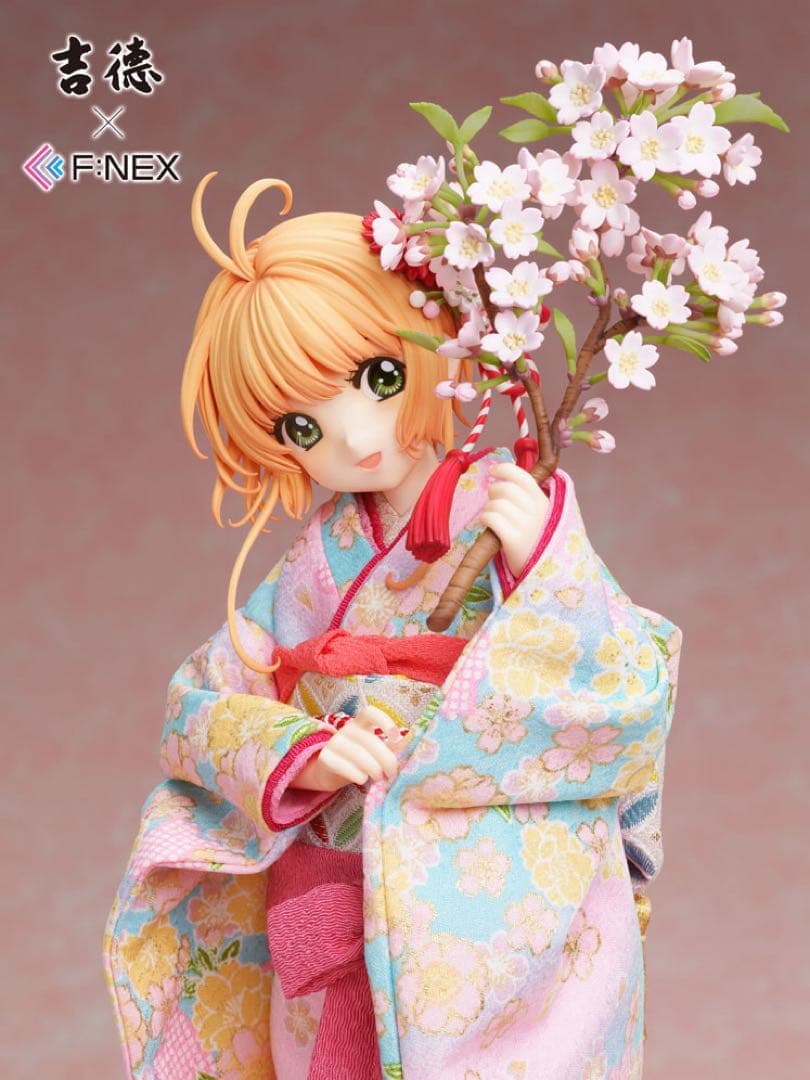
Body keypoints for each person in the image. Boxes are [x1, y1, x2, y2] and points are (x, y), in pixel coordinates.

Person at [103, 174, 683, 1080]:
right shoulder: (314, 564)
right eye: (302, 424)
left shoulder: (509, 513)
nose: (353, 436)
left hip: (487, 923)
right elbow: (199, 707)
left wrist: (542, 569)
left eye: (378, 378)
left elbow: (620, 691)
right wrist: (302, 752)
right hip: (335, 892)